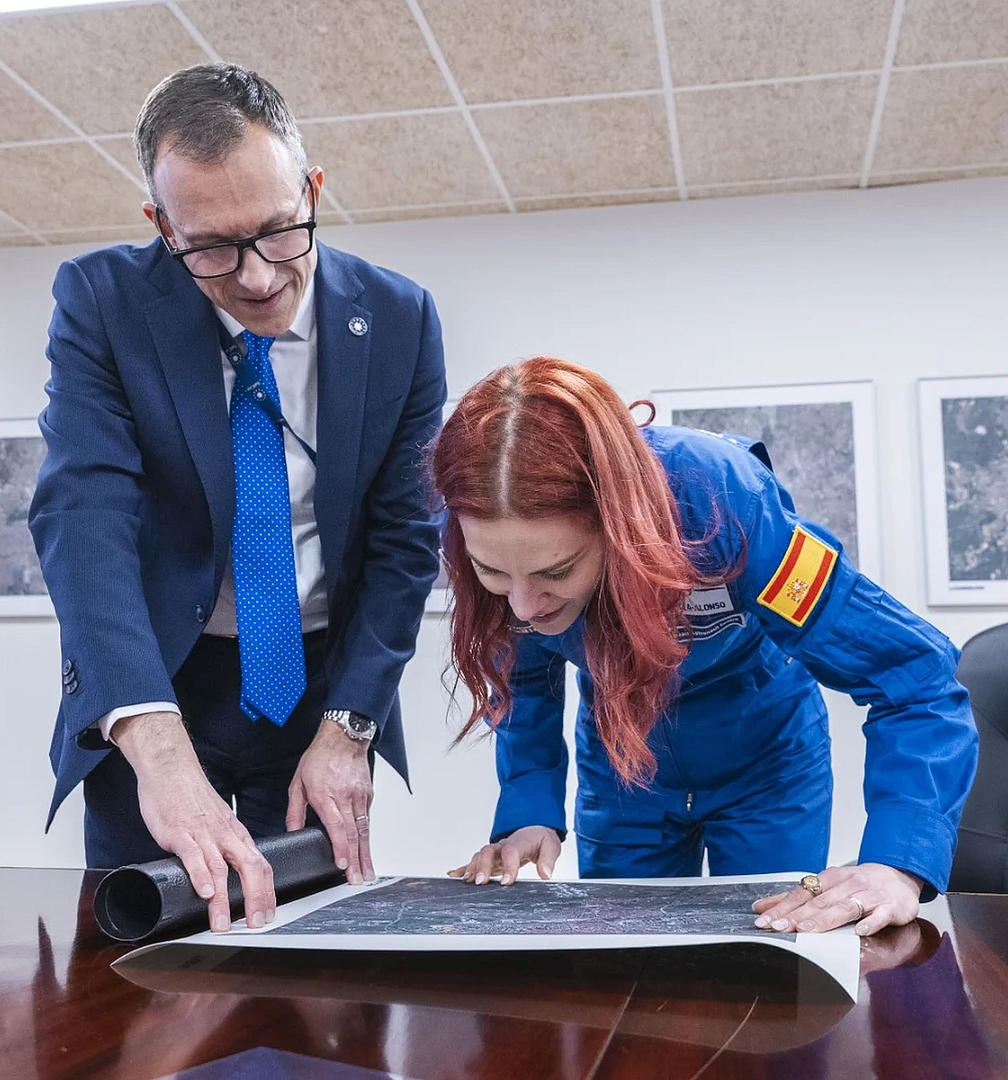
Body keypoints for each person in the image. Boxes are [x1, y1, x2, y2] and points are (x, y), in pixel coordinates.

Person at [29, 63, 446, 932]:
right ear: (160, 224)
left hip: (317, 688)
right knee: (142, 960)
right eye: (212, 247)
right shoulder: (103, 303)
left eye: (280, 231)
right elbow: (84, 517)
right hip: (158, 678)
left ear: (312, 188)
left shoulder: (401, 318)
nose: (257, 279)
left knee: (308, 960)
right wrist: (151, 738)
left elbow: (408, 539)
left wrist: (352, 725)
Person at [428, 357, 977, 935]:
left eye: (556, 572)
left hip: (767, 761)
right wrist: (529, 810)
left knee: (770, 968)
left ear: (614, 522)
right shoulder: (483, 520)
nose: (521, 606)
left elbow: (915, 678)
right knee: (626, 967)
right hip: (625, 768)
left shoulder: (723, 503)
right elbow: (523, 676)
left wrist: (897, 861)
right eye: (493, 574)